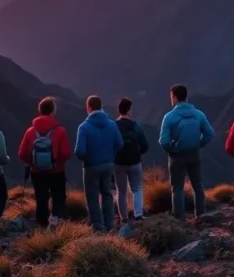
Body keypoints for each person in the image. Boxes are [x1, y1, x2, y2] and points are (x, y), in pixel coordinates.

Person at [159, 84, 215, 220]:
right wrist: (198, 144)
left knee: (177, 187)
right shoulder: (198, 114)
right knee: (198, 184)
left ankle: (179, 218)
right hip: (194, 154)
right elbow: (210, 133)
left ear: (174, 97)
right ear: (186, 97)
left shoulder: (169, 117)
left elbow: (163, 141)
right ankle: (201, 214)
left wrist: (172, 150)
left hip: (176, 157)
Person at [18, 97, 73, 228]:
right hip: (56, 171)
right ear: (53, 111)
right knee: (58, 196)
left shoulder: (30, 131)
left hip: (37, 172)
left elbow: (21, 154)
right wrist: (57, 162)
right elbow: (66, 153)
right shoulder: (60, 131)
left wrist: (33, 162)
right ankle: (54, 220)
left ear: (40, 110)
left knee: (41, 198)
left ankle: (42, 225)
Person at [74, 95, 123, 232]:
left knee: (92, 197)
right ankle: (109, 225)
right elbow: (119, 143)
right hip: (108, 165)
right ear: (101, 107)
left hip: (91, 167)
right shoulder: (112, 124)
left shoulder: (83, 127)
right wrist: (110, 155)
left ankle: (98, 226)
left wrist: (85, 158)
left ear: (88, 108)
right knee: (107, 194)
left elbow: (80, 151)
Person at [113, 97, 149, 222]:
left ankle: (124, 218)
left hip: (118, 163)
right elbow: (145, 145)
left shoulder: (113, 126)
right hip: (134, 163)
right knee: (137, 188)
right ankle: (138, 215)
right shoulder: (135, 126)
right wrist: (137, 155)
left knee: (121, 191)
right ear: (129, 110)